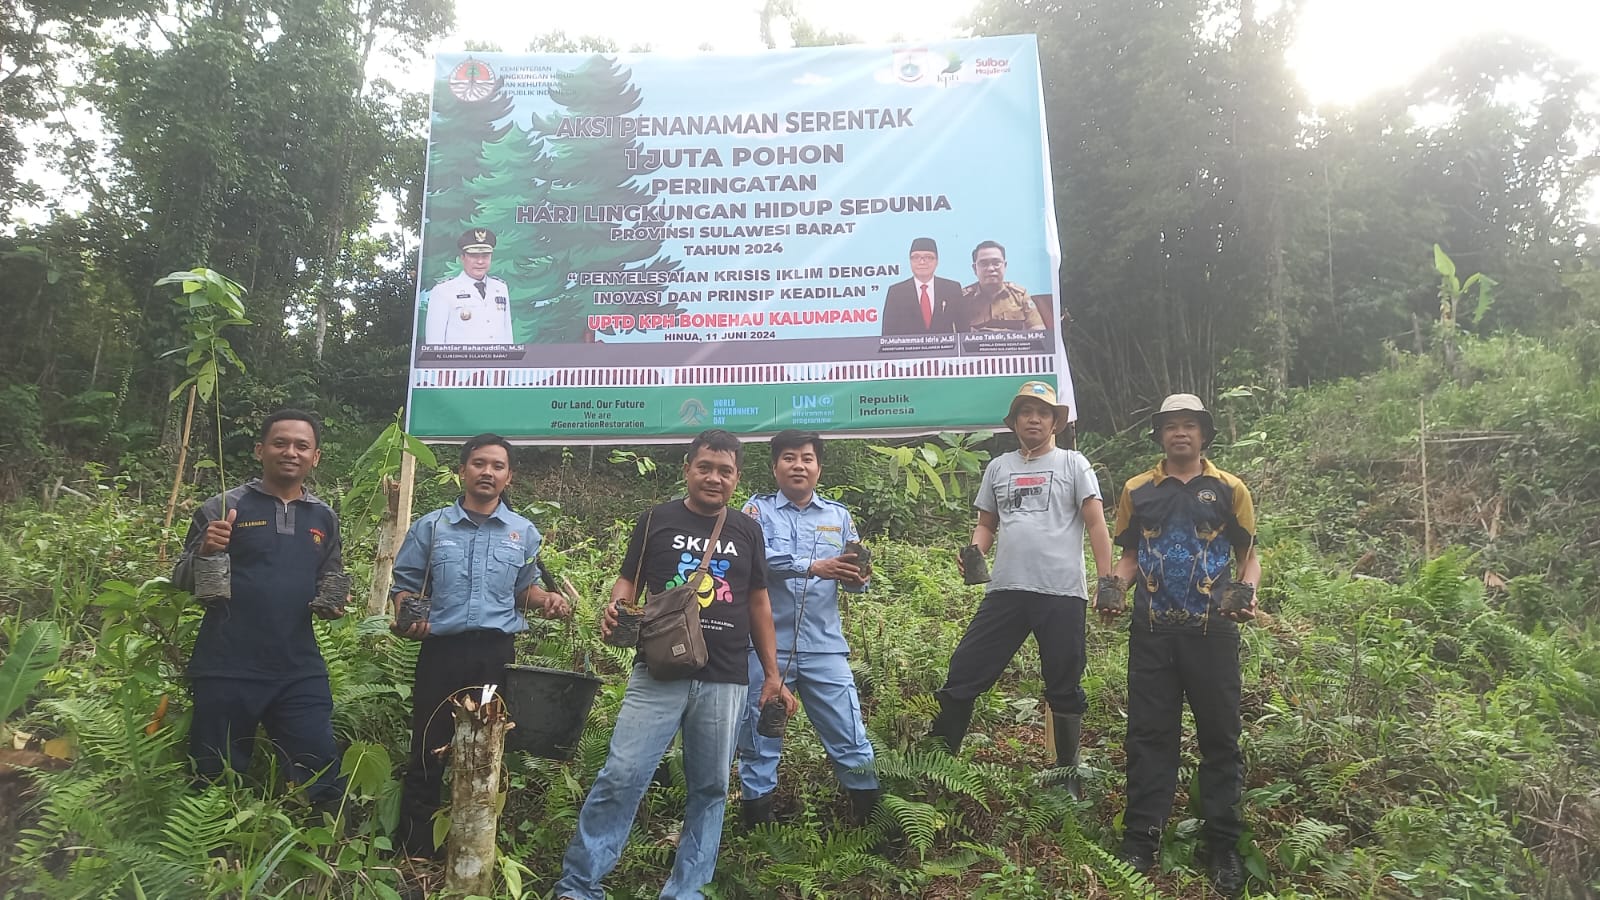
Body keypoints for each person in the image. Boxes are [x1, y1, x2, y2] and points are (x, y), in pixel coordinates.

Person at [555, 430, 796, 900]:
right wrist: (615, 608)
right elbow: (628, 581)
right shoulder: (655, 520)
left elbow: (759, 604)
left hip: (726, 677)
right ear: (687, 468)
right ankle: (579, 886)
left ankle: (686, 890)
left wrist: (771, 675)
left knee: (709, 788)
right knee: (622, 774)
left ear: (737, 478)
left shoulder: (747, 530)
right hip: (658, 671)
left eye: (725, 471)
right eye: (705, 467)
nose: (714, 477)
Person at [1099, 393, 1260, 898]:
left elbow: (1249, 556)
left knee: (1220, 739)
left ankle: (1223, 846)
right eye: (1171, 426)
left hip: (1213, 634)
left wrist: (1246, 593)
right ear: (1160, 434)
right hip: (1152, 634)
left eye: (1190, 425)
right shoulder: (1137, 490)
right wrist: (1113, 587)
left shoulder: (1229, 488)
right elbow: (1128, 557)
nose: (1180, 433)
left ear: (1204, 434)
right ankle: (1141, 839)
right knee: (1149, 735)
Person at [388, 433, 571, 859]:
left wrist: (546, 600)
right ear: (462, 470)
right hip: (441, 655)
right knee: (427, 750)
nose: (487, 472)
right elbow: (406, 586)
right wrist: (406, 615)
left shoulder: (523, 533)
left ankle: (472, 848)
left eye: (497, 466)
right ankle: (416, 854)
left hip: (495, 657)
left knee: (484, 754)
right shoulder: (431, 527)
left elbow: (522, 592)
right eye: (479, 463)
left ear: (509, 477)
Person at [928, 381, 1113, 800]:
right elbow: (986, 524)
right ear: (1013, 422)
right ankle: (935, 765)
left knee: (1064, 682)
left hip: (1062, 592)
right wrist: (975, 550)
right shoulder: (999, 468)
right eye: (1027, 411)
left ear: (1055, 423)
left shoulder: (1073, 464)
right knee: (965, 671)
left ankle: (1067, 774)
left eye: (1043, 413)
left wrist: (1107, 581)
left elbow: (1097, 523)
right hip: (1007, 590)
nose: (1034, 418)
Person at [173, 409, 346, 804]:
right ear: (260, 450)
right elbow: (179, 579)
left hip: (298, 667)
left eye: (302, 446)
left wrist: (334, 603)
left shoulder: (324, 517)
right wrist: (205, 550)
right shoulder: (223, 506)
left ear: (315, 457)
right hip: (226, 663)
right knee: (213, 776)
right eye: (280, 443)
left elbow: (330, 577)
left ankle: (326, 855)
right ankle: (210, 857)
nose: (291, 452)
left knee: (320, 769)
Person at [736, 430, 878, 830]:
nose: (798, 465)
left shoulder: (838, 516)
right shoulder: (756, 512)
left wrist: (857, 575)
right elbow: (754, 562)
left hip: (824, 647)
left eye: (807, 458)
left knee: (850, 735)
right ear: (775, 466)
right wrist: (811, 565)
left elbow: (854, 581)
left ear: (819, 467)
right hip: (767, 649)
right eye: (789, 458)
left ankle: (874, 828)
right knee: (760, 740)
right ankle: (757, 835)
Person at [423, 227, 514, 344]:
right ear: (462, 258)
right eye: (474, 256)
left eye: (485, 256)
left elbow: (507, 336)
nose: (480, 261)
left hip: (497, 361)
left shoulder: (500, 288)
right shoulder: (443, 291)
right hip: (459, 362)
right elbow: (434, 343)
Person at [880, 237, 963, 335]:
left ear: (937, 261)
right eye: (916, 257)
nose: (922, 262)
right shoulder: (896, 292)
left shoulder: (952, 289)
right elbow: (887, 336)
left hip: (946, 349)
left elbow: (963, 331)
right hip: (908, 349)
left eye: (928, 257)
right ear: (910, 261)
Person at [957, 241, 1045, 332]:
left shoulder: (1020, 296)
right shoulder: (963, 299)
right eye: (984, 264)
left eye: (996, 263)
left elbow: (1039, 333)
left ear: (1005, 266)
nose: (991, 268)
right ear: (975, 269)